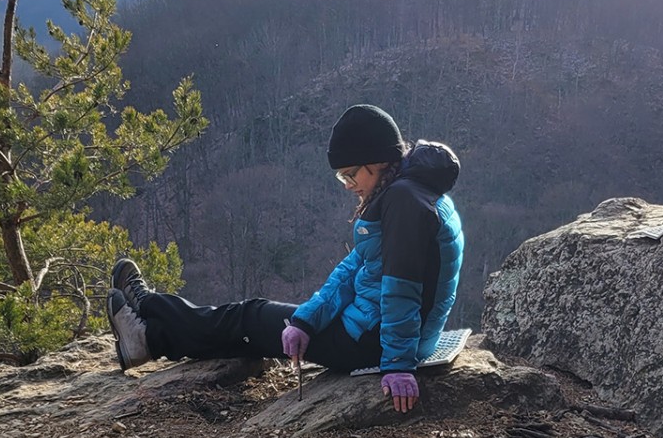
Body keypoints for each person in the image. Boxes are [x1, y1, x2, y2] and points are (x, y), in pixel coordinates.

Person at [106, 104, 464, 413]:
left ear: (379, 161)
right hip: (370, 326)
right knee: (252, 332)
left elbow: (403, 289)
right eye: (342, 177)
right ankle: (149, 326)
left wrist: (398, 366)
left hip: (371, 341)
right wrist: (306, 320)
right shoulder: (410, 188)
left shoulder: (404, 203)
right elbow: (355, 267)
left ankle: (149, 327)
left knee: (249, 316)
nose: (349, 185)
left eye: (351, 174)